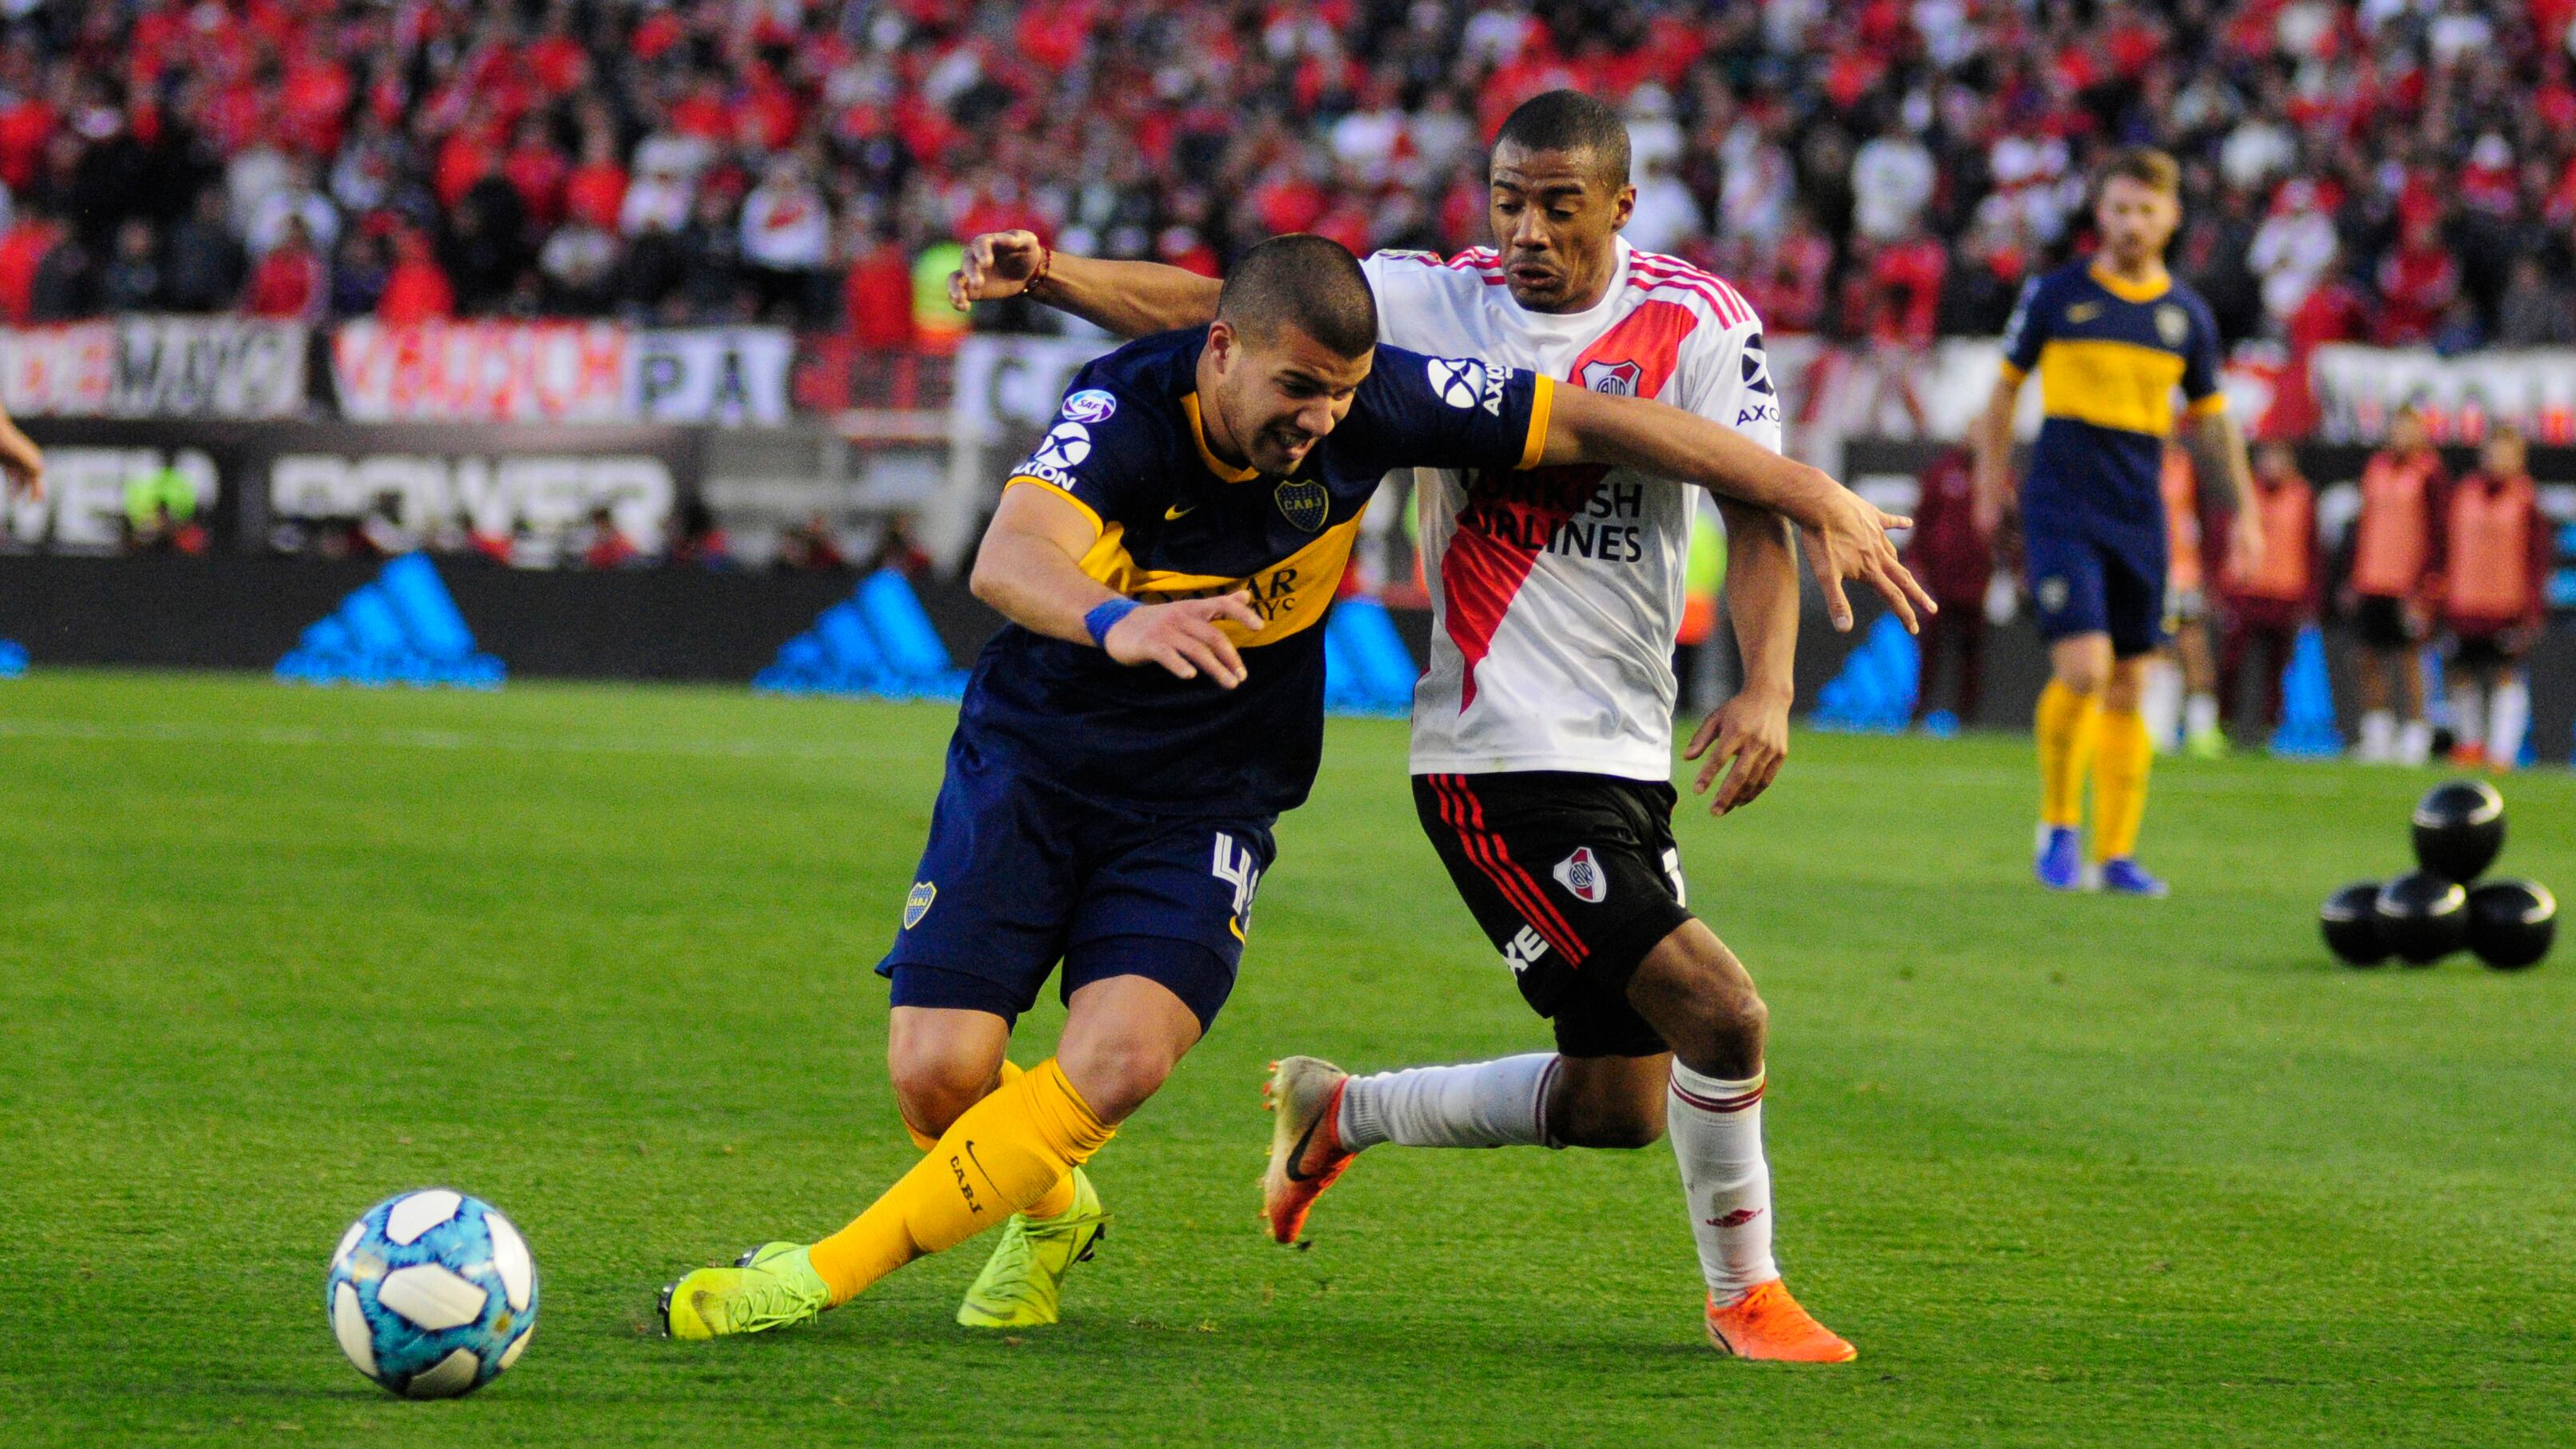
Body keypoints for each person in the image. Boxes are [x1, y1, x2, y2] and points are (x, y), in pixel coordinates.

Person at [658, 233, 1922, 1348]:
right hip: (1037, 755)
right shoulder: (1122, 411)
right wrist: (1118, 621)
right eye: (1296, 389)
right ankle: (1050, 1212)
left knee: (1118, 1059)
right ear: (1217, 352)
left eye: (1339, 394)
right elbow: (1008, 554)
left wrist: (1799, 485)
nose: (1320, 419)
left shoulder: (1376, 404)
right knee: (939, 1078)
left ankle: (819, 1272)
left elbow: (1597, 424)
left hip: (1208, 788)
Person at [946, 91, 1937, 1361]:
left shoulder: (1697, 320)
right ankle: (1745, 1293)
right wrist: (1058, 278)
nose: (1524, 229)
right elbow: (1223, 310)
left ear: (1619, 206)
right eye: (1507, 200)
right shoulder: (1426, 298)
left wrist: (1765, 680)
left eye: (1556, 205)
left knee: (1615, 1102)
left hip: (1624, 742)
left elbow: (1745, 505)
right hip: (1495, 747)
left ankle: (1340, 1111)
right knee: (1722, 1013)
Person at [1972, 148, 2260, 897]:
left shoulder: (2185, 317)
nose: (2131, 223)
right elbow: (2002, 395)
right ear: (2099, 213)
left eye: (2145, 210)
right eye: (2119, 208)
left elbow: (2214, 424)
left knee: (2132, 684)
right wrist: (1987, 482)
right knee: (2084, 669)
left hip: (2140, 515)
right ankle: (2058, 827)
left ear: (2169, 218)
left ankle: (2117, 854)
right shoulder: (2056, 295)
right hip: (2061, 506)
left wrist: (2247, 512)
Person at [2434, 426, 2550, 769]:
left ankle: (2502, 751)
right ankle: (2470, 744)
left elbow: (2538, 558)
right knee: (2462, 673)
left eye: (2506, 454)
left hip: (2507, 602)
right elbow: (2445, 546)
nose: (2498, 460)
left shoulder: (2527, 499)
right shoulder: (2464, 492)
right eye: (2493, 452)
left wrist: (2531, 609)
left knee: (2505, 674)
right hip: (2464, 599)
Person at [2343, 405, 2446, 764]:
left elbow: (2437, 533)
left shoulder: (2430, 472)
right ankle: (2378, 733)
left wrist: (2427, 585)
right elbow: (2364, 526)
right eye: (2395, 428)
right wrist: (2354, 576)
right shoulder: (2376, 468)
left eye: (2407, 429)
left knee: (2410, 659)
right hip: (2373, 578)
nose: (2399, 436)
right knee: (2368, 658)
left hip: (2408, 584)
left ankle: (2416, 735)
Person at [2215, 441, 2320, 738]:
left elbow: (2312, 549)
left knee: (2277, 666)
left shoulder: (2302, 495)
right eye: (2267, 457)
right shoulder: (2243, 492)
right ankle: (2227, 724)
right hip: (2246, 588)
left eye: (2279, 457)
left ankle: (2268, 727)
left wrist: (2310, 596)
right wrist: (2224, 585)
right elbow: (2222, 537)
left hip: (2286, 591)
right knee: (2233, 663)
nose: (2272, 464)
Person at [2141, 437, 2226, 758]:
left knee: (2195, 650)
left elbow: (2207, 520)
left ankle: (2202, 729)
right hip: (2152, 572)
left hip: (2187, 572)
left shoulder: (2190, 464)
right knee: (2160, 651)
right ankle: (2158, 728)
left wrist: (2210, 572)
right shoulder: (2141, 462)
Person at [1905, 442, 1994, 727]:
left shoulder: (1995, 474)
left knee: (1972, 653)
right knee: (1930, 649)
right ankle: (1918, 710)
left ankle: (1968, 718)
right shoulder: (1944, 471)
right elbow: (1922, 520)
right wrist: (1916, 563)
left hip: (1978, 584)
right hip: (1941, 580)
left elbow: (2010, 528)